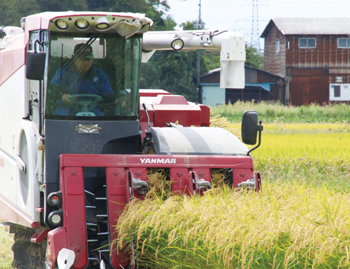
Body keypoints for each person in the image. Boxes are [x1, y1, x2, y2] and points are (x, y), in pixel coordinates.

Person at [50, 43, 117, 116]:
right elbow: (53, 89)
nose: (85, 62)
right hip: (66, 106)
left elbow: (108, 94)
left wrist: (117, 100)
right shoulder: (64, 71)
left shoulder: (99, 74)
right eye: (81, 58)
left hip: (92, 108)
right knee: (61, 120)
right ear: (74, 58)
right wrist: (62, 96)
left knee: (100, 119)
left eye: (88, 59)